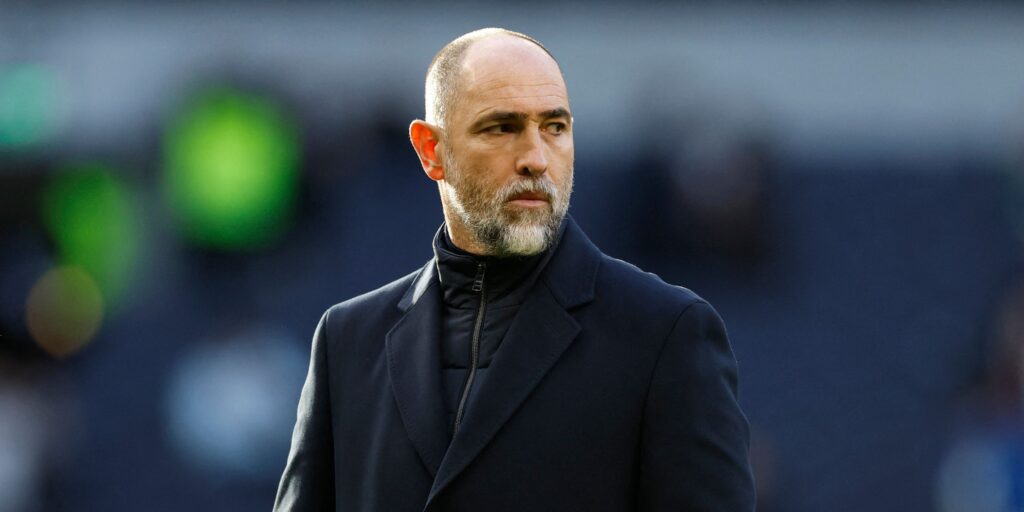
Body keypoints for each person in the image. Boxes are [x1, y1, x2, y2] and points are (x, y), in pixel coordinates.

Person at [274, 28, 755, 511]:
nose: (535, 159)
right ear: (430, 150)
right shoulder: (348, 340)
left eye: (554, 128)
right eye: (501, 128)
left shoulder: (663, 333)